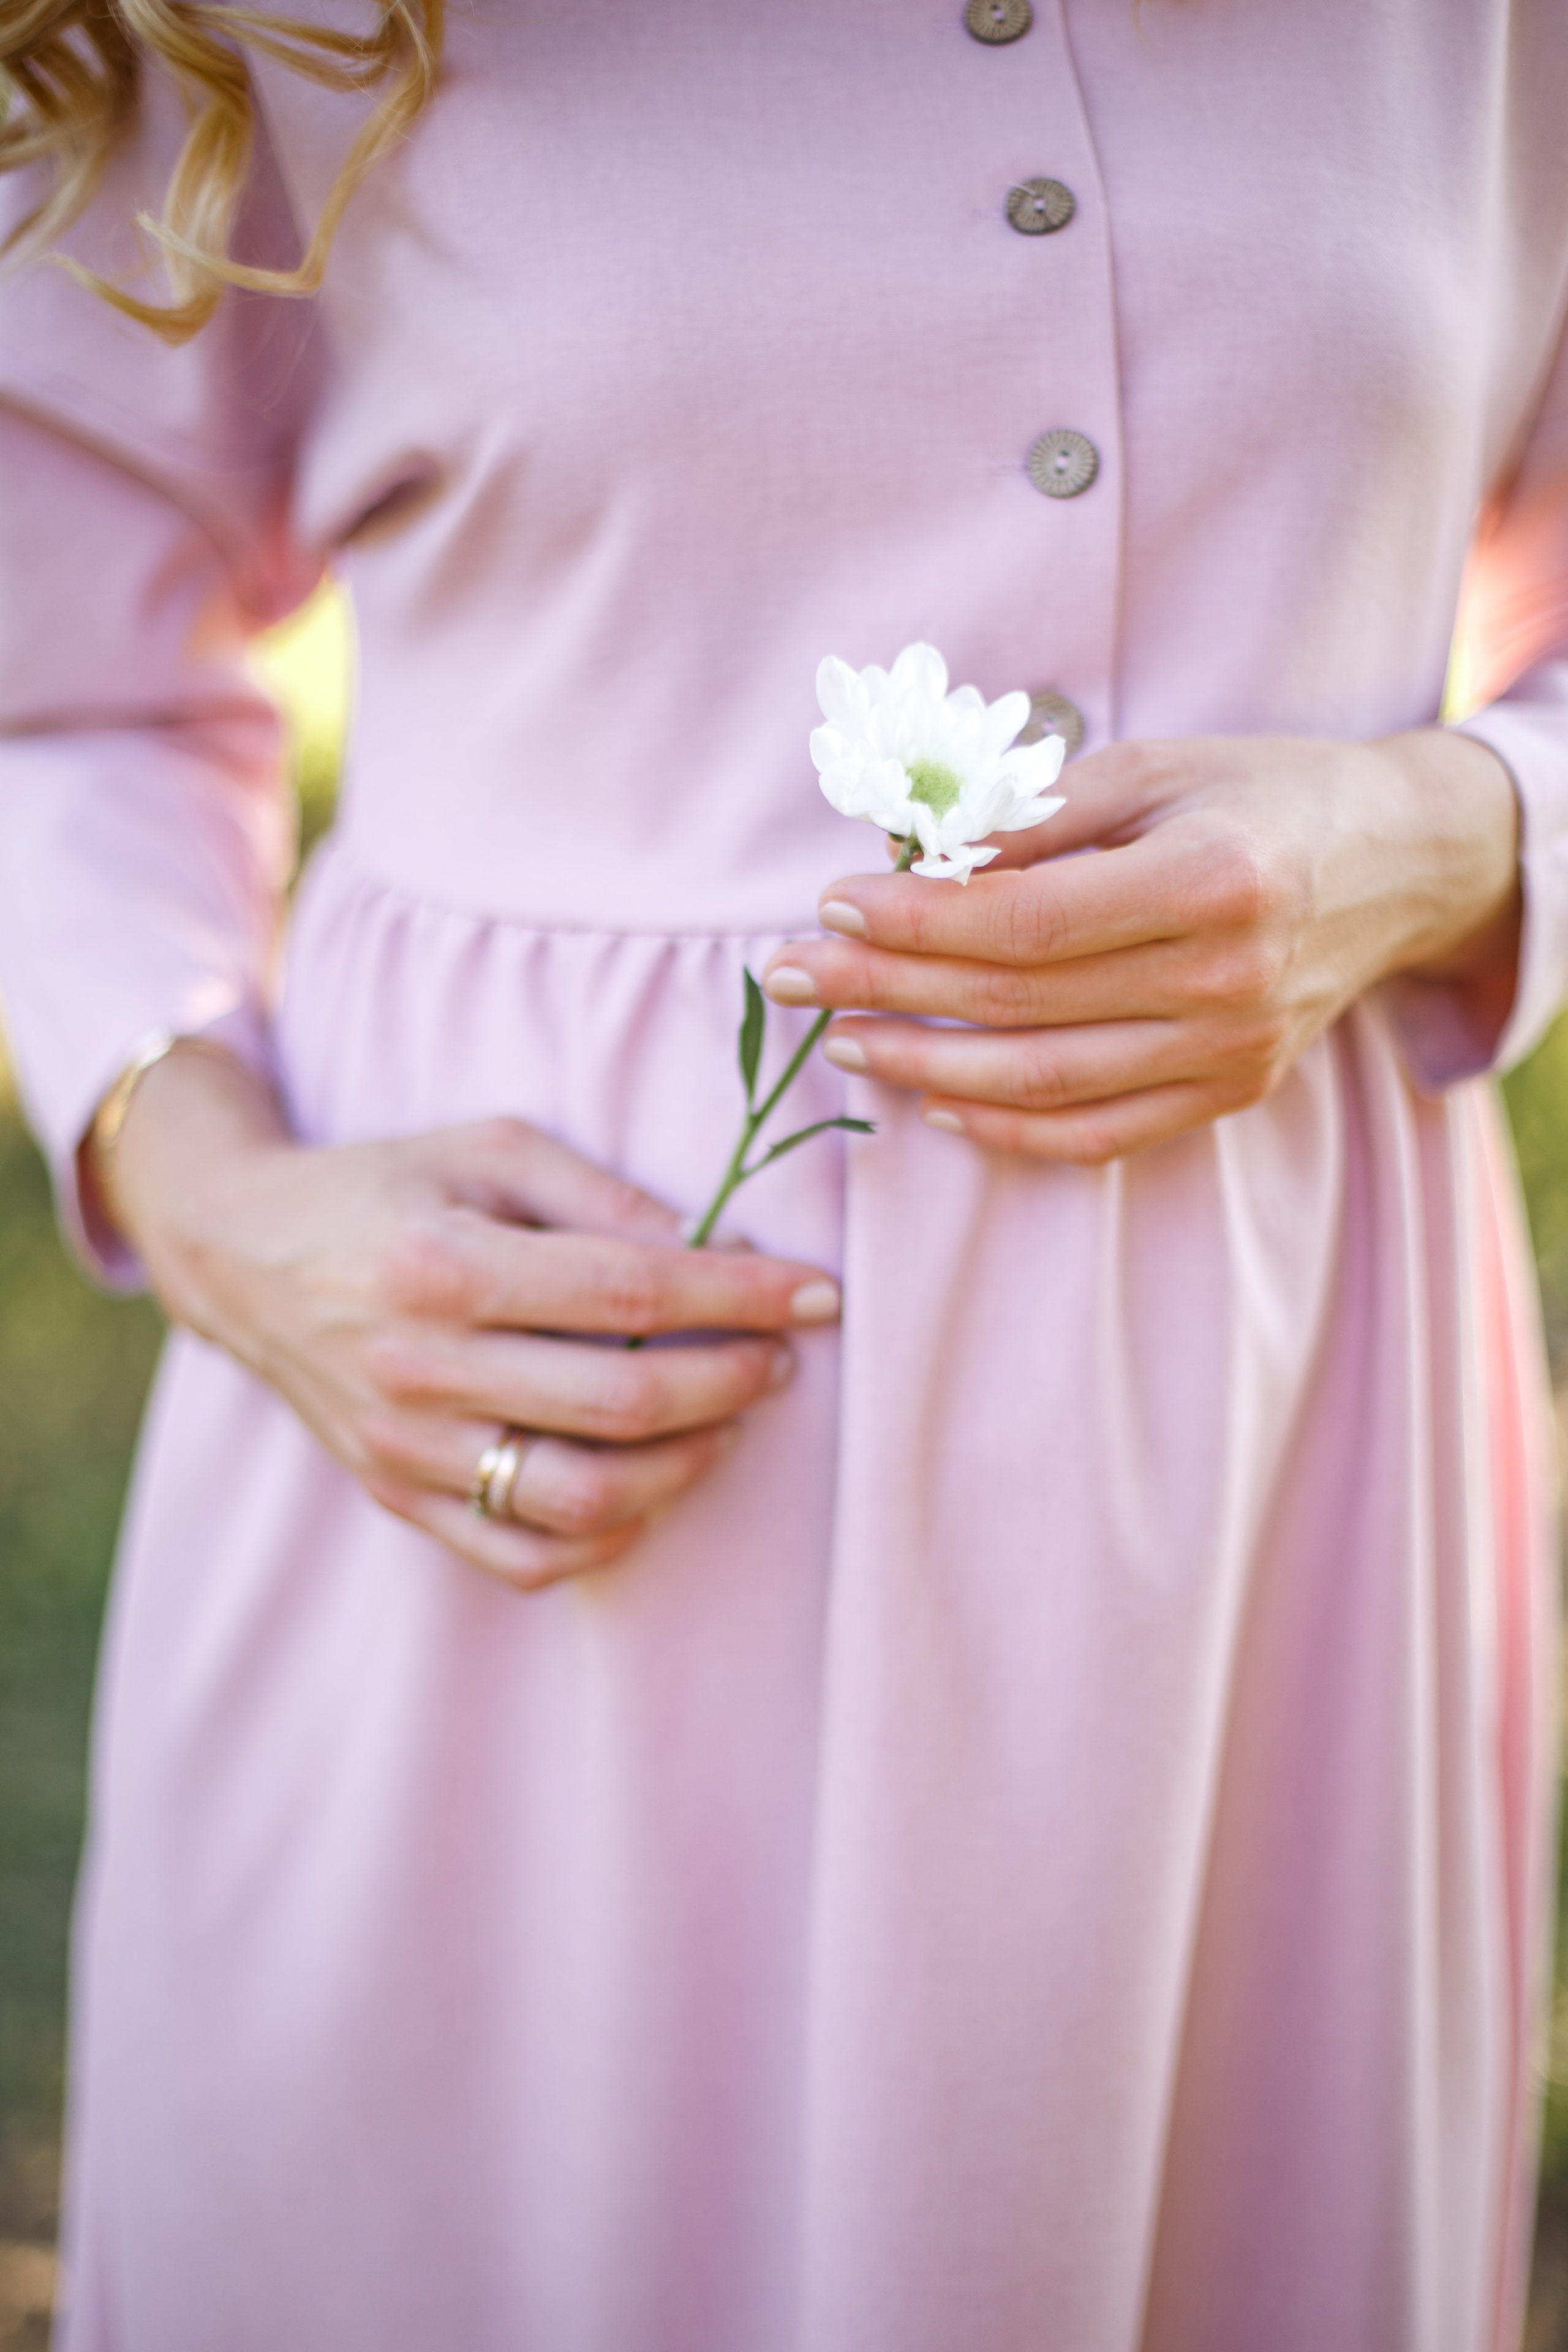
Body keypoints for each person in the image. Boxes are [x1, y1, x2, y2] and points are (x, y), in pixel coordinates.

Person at [0, 3, 1562, 2346]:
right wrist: (218, 1197)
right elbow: (56, 686)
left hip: (1277, 1505)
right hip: (499, 1504)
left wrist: (1446, 834)